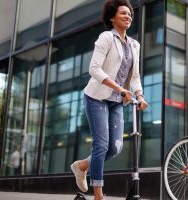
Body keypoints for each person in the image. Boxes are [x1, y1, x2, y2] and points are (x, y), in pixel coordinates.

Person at [70, 0, 148, 199]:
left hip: (117, 101)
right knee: (101, 144)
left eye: (130, 13)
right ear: (112, 17)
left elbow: (136, 76)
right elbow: (94, 69)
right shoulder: (105, 38)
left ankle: (82, 166)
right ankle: (98, 193)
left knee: (115, 147)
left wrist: (139, 95)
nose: (128, 16)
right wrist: (121, 89)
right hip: (96, 97)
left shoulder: (134, 45)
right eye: (123, 13)